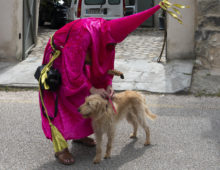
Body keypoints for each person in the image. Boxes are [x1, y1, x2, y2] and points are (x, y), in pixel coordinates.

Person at [39, 1, 186, 165]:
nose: (113, 46)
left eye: (115, 44)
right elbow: (72, 69)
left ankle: (79, 136)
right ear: (106, 35)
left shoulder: (108, 38)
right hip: (61, 59)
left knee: (86, 98)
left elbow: (106, 66)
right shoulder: (83, 33)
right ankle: (61, 148)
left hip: (80, 60)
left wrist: (108, 84)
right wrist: (93, 88)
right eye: (112, 43)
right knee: (63, 100)